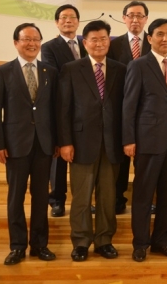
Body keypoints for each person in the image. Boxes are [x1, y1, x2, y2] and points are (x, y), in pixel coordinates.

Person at [0, 23, 57, 265]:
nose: (32, 44)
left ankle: (39, 245)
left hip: (44, 145)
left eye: (36, 39)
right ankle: (17, 246)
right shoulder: (3, 72)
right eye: (26, 39)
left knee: (41, 197)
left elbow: (56, 110)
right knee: (16, 197)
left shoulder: (50, 71)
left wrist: (57, 141)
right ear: (16, 42)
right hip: (15, 145)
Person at [57, 20, 126, 262]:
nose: (99, 43)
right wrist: (65, 142)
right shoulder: (71, 69)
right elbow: (63, 109)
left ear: (109, 41)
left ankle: (104, 240)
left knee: (108, 197)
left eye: (103, 39)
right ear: (84, 43)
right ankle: (81, 242)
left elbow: (125, 109)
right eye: (94, 39)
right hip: (81, 143)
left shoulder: (120, 69)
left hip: (112, 144)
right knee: (81, 198)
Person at [123, 18, 167, 263]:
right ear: (149, 38)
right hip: (147, 140)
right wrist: (129, 139)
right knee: (143, 195)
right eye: (160, 34)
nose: (165, 38)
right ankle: (140, 244)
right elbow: (129, 105)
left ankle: (161, 241)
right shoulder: (138, 65)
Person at [40, 4, 86, 218]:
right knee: (58, 157)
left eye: (72, 17)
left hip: (86, 109)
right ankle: (57, 200)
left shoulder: (87, 43)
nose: (68, 21)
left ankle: (84, 201)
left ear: (78, 21)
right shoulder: (49, 47)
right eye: (64, 17)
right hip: (62, 106)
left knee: (84, 157)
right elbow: (55, 75)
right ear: (57, 22)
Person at [107, 0, 151, 215]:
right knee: (122, 157)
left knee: (145, 158)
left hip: (148, 110)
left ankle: (145, 199)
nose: (135, 20)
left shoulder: (154, 41)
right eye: (131, 15)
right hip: (121, 108)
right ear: (124, 18)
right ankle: (118, 197)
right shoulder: (113, 45)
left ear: (146, 19)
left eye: (140, 15)